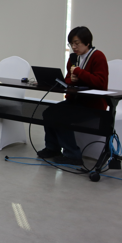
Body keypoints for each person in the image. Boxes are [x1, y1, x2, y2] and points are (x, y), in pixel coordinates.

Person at [37, 26, 109, 166]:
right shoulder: (73, 58)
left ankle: (73, 155)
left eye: (77, 43)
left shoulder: (98, 56)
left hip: (93, 105)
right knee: (48, 113)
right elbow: (67, 80)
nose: (74, 47)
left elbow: (100, 83)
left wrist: (79, 73)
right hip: (75, 101)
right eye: (71, 44)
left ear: (87, 42)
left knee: (62, 117)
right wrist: (73, 79)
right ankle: (52, 148)